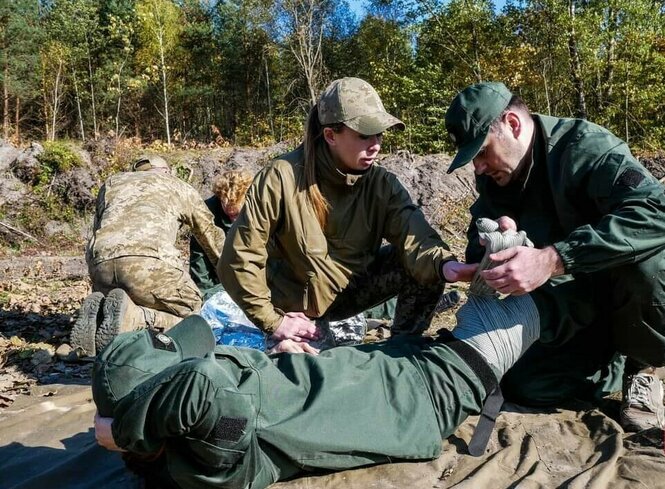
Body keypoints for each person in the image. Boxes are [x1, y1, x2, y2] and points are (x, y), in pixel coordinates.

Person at [92, 259, 541, 489]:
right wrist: (124, 429)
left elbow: (207, 387)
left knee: (506, 257)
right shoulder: (210, 462)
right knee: (540, 294)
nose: (201, 361)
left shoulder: (202, 423)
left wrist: (287, 360)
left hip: (400, 361)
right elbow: (208, 392)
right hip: (430, 389)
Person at [445, 81, 665, 431]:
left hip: (625, 291)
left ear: (512, 125)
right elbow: (480, 230)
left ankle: (644, 365)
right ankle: (610, 362)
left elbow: (656, 212)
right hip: (574, 306)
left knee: (648, 266)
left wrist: (553, 259)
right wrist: (487, 256)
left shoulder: (584, 147)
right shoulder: (497, 179)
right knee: (526, 385)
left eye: (482, 152)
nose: (479, 168)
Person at [218, 77, 474, 354]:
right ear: (330, 135)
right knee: (305, 378)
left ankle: (401, 349)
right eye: (365, 135)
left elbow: (416, 237)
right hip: (299, 310)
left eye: (380, 134)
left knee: (427, 264)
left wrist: (446, 266)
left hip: (352, 292)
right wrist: (274, 322)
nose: (376, 145)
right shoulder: (282, 177)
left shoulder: (382, 185)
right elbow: (239, 258)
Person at [71, 154, 225, 357]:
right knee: (196, 315)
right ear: (167, 172)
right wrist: (231, 274)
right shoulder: (176, 185)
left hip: (101, 266)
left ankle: (99, 316)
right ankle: (138, 319)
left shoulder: (112, 183)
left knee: (128, 298)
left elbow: (98, 227)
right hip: (149, 265)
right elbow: (210, 237)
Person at [189, 170, 253, 299]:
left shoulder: (260, 206)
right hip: (220, 272)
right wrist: (206, 295)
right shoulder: (206, 212)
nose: (233, 220)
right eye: (229, 214)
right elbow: (199, 257)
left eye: (237, 215)